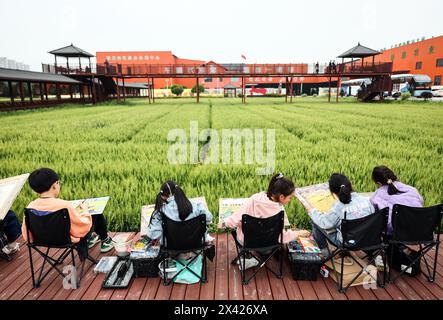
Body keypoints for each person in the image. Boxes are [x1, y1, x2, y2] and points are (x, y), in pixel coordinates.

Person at [218, 173, 310, 269]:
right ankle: (265, 252)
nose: (290, 200)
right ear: (281, 197)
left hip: (247, 242)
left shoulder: (254, 199)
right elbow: (282, 237)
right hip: (269, 243)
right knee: (270, 242)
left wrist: (223, 223)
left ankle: (253, 256)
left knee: (240, 230)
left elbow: (235, 220)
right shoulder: (279, 212)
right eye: (290, 198)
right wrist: (297, 233)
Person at [22, 168, 113, 253]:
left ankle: (92, 239)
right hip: (67, 240)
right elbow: (81, 226)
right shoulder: (64, 205)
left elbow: (26, 232)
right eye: (58, 183)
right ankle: (105, 240)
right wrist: (85, 211)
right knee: (95, 213)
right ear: (54, 185)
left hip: (41, 240)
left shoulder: (30, 206)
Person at [307, 173, 375, 258]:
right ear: (350, 186)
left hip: (347, 243)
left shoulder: (338, 207)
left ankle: (324, 252)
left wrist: (312, 211)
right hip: (367, 239)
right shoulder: (365, 200)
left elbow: (324, 223)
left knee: (316, 219)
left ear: (333, 193)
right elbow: (372, 215)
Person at [146, 181, 213, 244]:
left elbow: (153, 235)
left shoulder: (160, 212)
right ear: (178, 191)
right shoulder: (197, 206)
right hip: (197, 244)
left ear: (163, 196)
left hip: (171, 248)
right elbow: (209, 219)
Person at [370, 166, 424, 236]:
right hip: (419, 228)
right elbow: (421, 203)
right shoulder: (412, 189)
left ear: (379, 183)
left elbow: (373, 213)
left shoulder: (376, 196)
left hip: (396, 232)